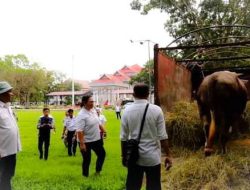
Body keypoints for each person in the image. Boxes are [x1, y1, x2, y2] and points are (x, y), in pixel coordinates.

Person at [120, 83, 172, 190]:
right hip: (152, 158)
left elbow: (123, 138)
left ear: (133, 94)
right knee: (154, 186)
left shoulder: (126, 111)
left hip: (134, 157)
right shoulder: (156, 110)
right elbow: (163, 136)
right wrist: (168, 155)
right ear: (148, 94)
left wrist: (124, 156)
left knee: (133, 187)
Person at [76, 95, 106, 177]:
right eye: (91, 102)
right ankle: (85, 176)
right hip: (86, 141)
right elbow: (79, 130)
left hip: (96, 139)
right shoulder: (81, 115)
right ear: (85, 103)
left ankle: (97, 172)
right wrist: (82, 144)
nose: (93, 103)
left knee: (102, 154)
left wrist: (103, 130)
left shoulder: (93, 110)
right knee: (87, 159)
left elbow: (98, 122)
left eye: (93, 101)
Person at [0, 81, 21, 190]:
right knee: (2, 176)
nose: (11, 94)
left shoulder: (7, 107)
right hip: (2, 152)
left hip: (11, 149)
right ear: (1, 94)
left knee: (8, 175)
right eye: (9, 92)